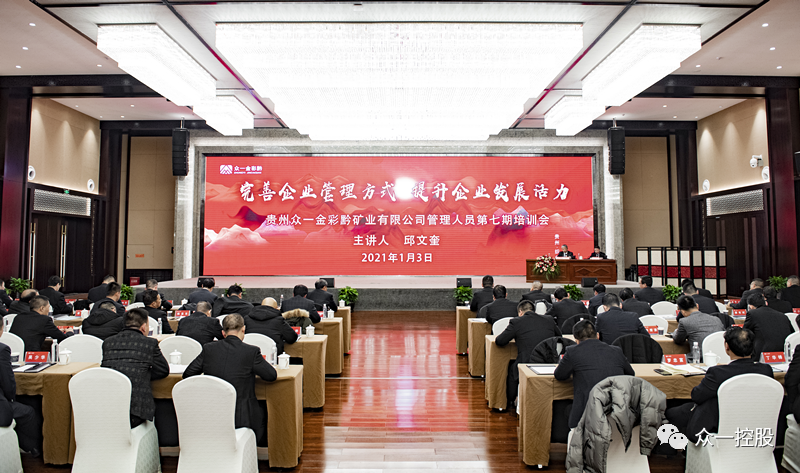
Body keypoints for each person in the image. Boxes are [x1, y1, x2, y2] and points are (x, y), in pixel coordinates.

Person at [665, 327, 773, 441]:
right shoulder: (766, 370)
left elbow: (697, 396)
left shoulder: (717, 373)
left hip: (719, 423)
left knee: (672, 413)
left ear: (727, 347)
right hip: (757, 425)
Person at [184, 313, 277, 443]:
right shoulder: (251, 352)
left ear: (223, 333)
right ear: (243, 329)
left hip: (211, 412)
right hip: (242, 416)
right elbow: (271, 375)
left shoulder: (209, 348)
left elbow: (188, 374)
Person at [554, 320, 635, 429]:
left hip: (588, 414)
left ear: (576, 340)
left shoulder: (573, 351)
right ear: (598, 335)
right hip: (617, 411)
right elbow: (630, 374)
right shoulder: (616, 351)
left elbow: (560, 375)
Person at [101, 308, 169, 428]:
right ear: (143, 327)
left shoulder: (108, 342)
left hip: (108, 407)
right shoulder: (149, 343)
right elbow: (163, 370)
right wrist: (143, 373)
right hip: (136, 410)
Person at [496, 300, 562, 411]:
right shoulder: (549, 319)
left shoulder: (517, 322)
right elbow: (559, 336)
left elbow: (500, 341)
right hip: (549, 363)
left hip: (527, 363)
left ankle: (512, 400)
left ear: (520, 312)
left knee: (512, 369)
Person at [0, 319, 41, 457]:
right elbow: (7, 382)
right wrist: (11, 398)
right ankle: (33, 448)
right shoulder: (2, 349)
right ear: (1, 330)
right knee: (28, 411)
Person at [743, 293, 794, 360]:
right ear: (766, 303)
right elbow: (792, 334)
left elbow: (744, 334)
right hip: (785, 355)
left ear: (750, 307)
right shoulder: (783, 316)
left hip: (762, 356)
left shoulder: (752, 314)